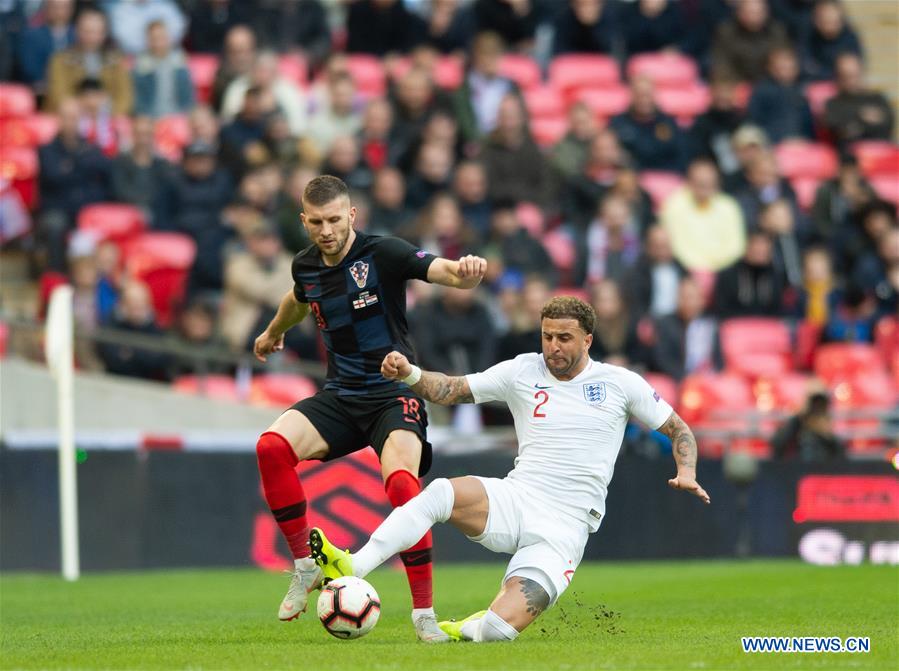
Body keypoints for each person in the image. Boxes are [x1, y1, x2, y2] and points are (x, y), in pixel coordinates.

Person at [308, 295, 710, 642]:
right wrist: (409, 373)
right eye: (547, 336)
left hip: (565, 529)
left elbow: (678, 430)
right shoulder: (522, 370)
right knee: (440, 493)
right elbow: (450, 389)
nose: (553, 346)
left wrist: (687, 471)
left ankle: (464, 629)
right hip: (518, 497)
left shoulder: (620, 384)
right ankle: (353, 564)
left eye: (564, 338)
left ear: (588, 340)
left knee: (497, 631)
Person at [251, 175, 487, 641]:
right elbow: (297, 300)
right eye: (316, 222)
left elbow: (440, 270)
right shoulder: (306, 266)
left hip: (392, 394)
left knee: (403, 487)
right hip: (340, 396)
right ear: (304, 221)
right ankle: (303, 565)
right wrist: (273, 331)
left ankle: (423, 614)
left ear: (352, 215)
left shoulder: (384, 254)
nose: (326, 230)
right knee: (271, 447)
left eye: (335, 220)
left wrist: (464, 270)